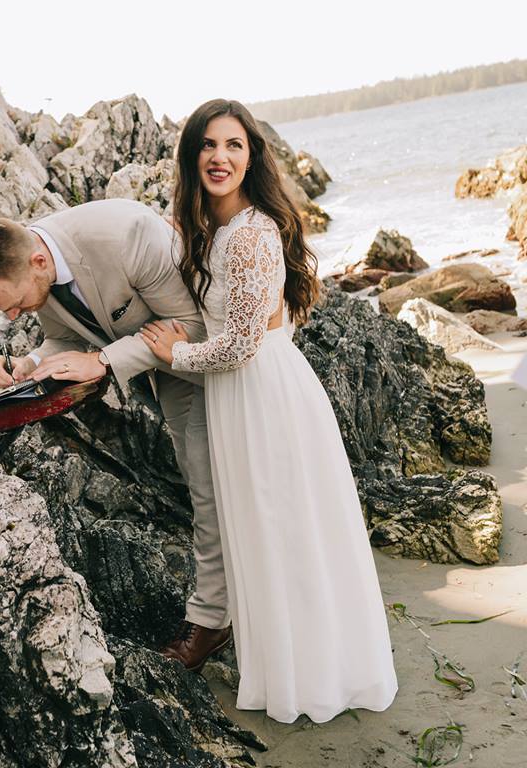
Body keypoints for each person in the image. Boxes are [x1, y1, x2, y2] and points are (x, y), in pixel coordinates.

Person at [139, 98, 398, 723]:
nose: (220, 157)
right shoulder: (212, 231)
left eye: (234, 145)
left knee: (285, 528)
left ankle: (313, 675)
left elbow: (242, 342)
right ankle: (285, 662)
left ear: (252, 157)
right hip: (241, 395)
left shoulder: (252, 231)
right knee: (261, 530)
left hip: (262, 392)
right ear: (191, 155)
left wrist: (177, 354)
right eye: (208, 145)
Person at [0, 198, 252, 669]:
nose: (12, 317)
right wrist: (29, 363)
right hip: (175, 382)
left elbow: (192, 325)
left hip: (226, 366)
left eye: (13, 305)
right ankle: (217, 618)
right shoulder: (38, 267)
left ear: (38, 261)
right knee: (207, 493)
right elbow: (67, 334)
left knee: (246, 491)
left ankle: (236, 615)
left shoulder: (127, 234)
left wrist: (104, 361)